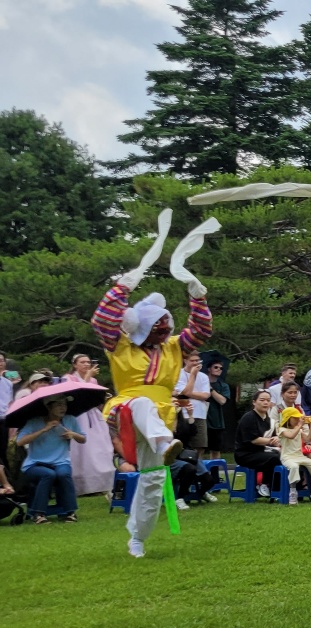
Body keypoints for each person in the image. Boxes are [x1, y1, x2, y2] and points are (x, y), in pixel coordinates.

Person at [94, 210, 214, 557]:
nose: (163, 330)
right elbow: (102, 319)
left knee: (154, 478)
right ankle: (164, 444)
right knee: (142, 403)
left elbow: (201, 331)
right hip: (128, 410)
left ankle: (137, 537)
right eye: (157, 326)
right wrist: (123, 287)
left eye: (165, 325)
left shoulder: (173, 347)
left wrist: (197, 296)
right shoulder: (119, 345)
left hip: (161, 417)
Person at [17, 395, 85, 524]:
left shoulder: (69, 420)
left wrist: (73, 434)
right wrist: (44, 429)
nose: (63, 408)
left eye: (64, 404)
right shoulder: (34, 422)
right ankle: (38, 514)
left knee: (63, 474)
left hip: (61, 461)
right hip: (35, 464)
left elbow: (83, 439)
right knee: (48, 474)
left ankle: (70, 512)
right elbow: (20, 442)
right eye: (58, 405)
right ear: (49, 407)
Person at [63, 353, 115, 496]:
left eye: (88, 362)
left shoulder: (93, 380)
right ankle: (82, 486)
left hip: (93, 414)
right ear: (75, 365)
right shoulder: (68, 378)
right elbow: (78, 396)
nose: (86, 364)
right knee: (82, 450)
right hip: (79, 415)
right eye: (82, 362)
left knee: (99, 446)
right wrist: (87, 378)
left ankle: (101, 484)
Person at [234, 391, 281, 498]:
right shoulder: (249, 417)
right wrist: (271, 441)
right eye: (262, 400)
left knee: (281, 456)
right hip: (245, 454)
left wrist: (277, 438)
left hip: (261, 451)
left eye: (268, 400)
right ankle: (265, 485)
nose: (266, 403)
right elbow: (253, 440)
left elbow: (274, 436)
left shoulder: (268, 420)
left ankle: (278, 489)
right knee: (273, 458)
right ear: (254, 402)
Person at [275, 408, 311, 499]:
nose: (297, 420)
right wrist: (300, 426)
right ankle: (293, 491)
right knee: (294, 467)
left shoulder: (299, 430)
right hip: (287, 457)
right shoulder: (282, 429)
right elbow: (291, 436)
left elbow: (308, 439)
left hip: (299, 456)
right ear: (288, 419)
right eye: (295, 418)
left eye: (298, 418)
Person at [173, 351, 211, 453]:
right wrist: (192, 375)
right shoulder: (178, 374)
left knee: (200, 445)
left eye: (197, 360)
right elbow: (185, 392)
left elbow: (205, 395)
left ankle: (198, 462)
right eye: (192, 361)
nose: (195, 363)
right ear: (185, 361)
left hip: (200, 414)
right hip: (183, 413)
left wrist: (188, 393)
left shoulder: (204, 376)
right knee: (182, 443)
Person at [203, 358, 229, 461]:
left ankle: (215, 470)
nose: (219, 369)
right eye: (216, 367)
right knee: (199, 448)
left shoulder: (223, 385)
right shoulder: (200, 383)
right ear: (209, 369)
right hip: (201, 420)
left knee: (215, 450)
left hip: (216, 422)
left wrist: (210, 389)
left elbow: (222, 401)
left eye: (221, 368)